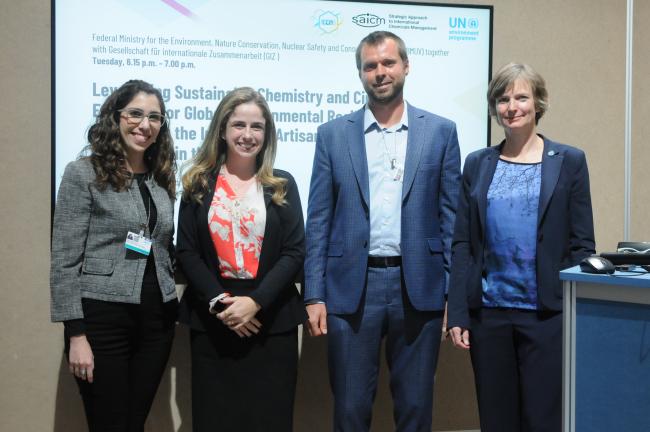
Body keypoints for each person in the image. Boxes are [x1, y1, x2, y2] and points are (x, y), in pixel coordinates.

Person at [304, 31, 461, 431]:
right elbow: (319, 219)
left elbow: (451, 221)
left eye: (388, 63)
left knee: (415, 407)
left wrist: (450, 294)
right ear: (360, 74)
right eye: (370, 66)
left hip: (420, 289)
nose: (380, 72)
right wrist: (315, 293)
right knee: (351, 409)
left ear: (406, 66)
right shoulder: (333, 135)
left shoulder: (440, 132)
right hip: (351, 289)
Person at [447, 63, 595, 432]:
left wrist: (573, 313)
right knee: (496, 421)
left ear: (538, 103)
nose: (511, 106)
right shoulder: (478, 163)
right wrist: (460, 313)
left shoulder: (569, 161)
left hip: (547, 317)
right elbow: (463, 242)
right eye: (502, 98)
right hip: (489, 317)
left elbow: (581, 245)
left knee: (542, 420)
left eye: (521, 97)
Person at [50, 79, 179, 431]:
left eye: (155, 117)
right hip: (102, 319)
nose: (145, 124)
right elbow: (64, 258)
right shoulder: (83, 173)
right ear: (115, 116)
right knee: (108, 423)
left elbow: (163, 246)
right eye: (135, 113)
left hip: (156, 321)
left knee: (133, 423)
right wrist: (76, 335)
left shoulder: (161, 177)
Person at [176, 87, 307, 431]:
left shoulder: (282, 185)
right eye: (238, 125)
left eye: (257, 127)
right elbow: (187, 251)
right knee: (215, 418)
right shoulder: (197, 183)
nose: (247, 135)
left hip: (271, 321)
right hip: (213, 319)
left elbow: (295, 251)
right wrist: (222, 303)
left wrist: (256, 302)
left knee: (269, 419)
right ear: (222, 129)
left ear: (267, 134)